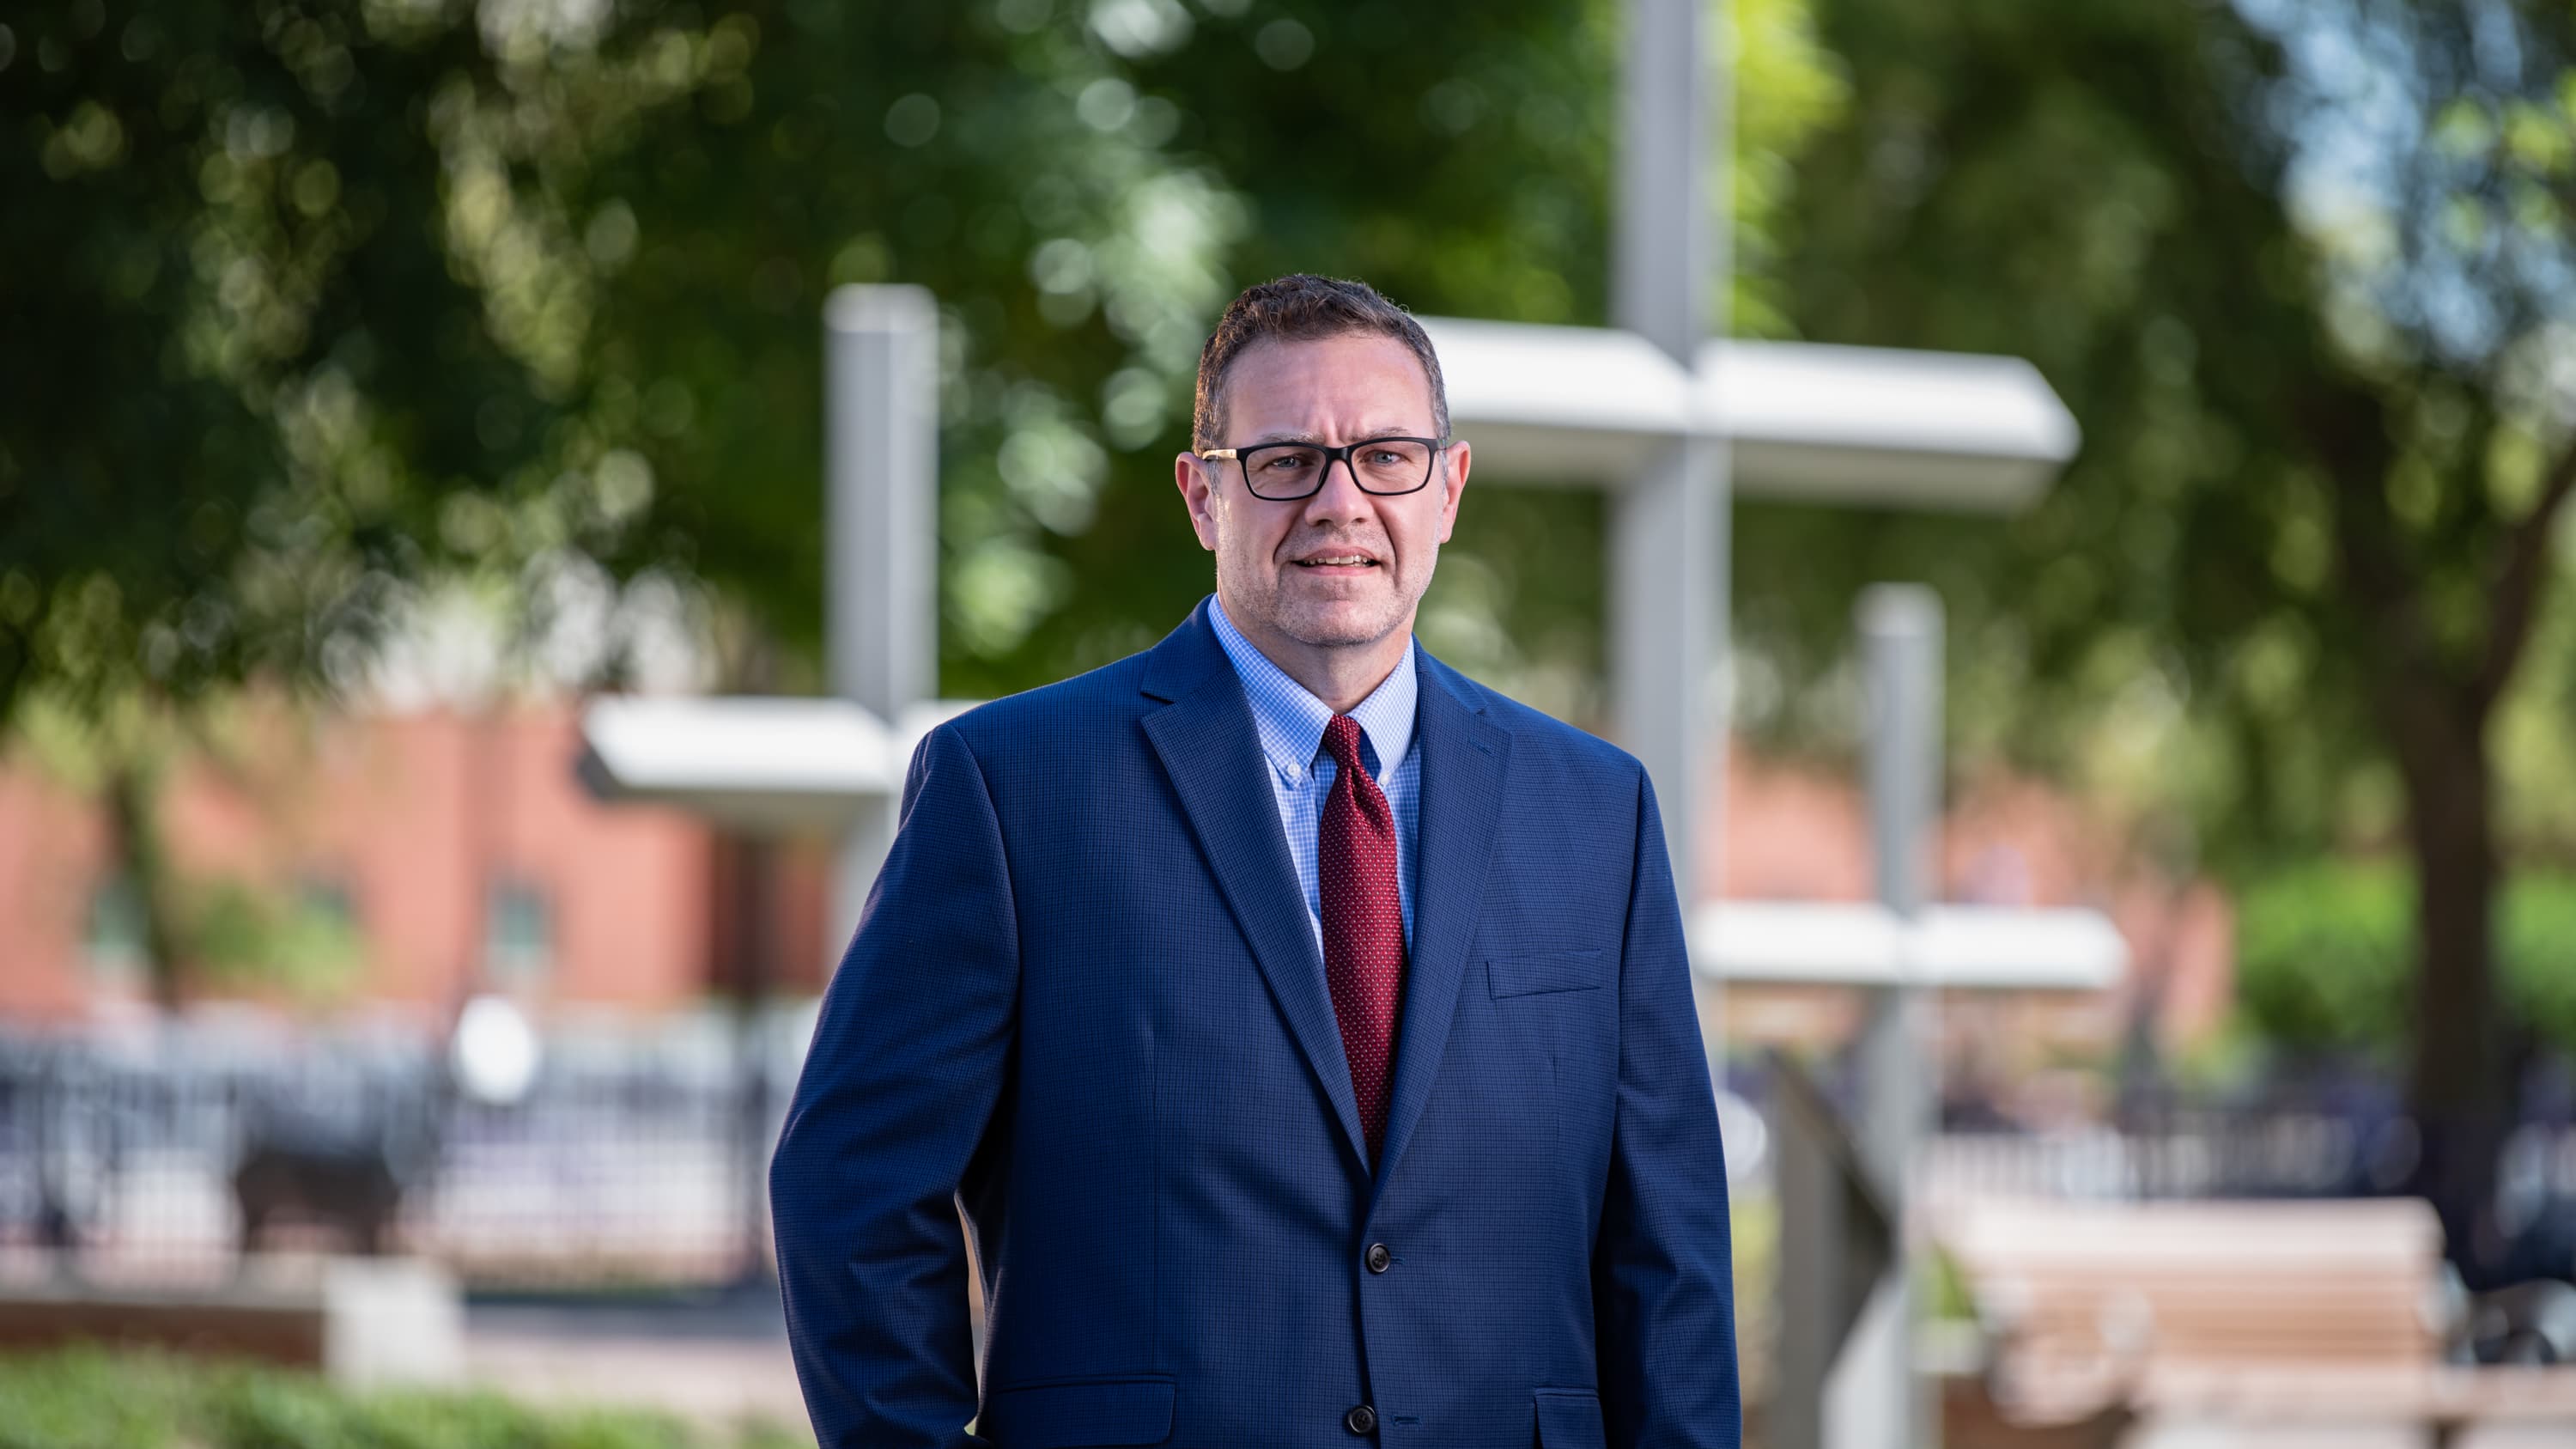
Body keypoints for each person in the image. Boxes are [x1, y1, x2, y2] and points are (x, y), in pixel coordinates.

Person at [770, 274, 1740, 1449]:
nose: (1340, 502)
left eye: (1386, 456)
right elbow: (854, 1193)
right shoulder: (1014, 788)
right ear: (1202, 495)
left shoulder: (1598, 811)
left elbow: (1669, 1254)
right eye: (1284, 460)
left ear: (1449, 490)